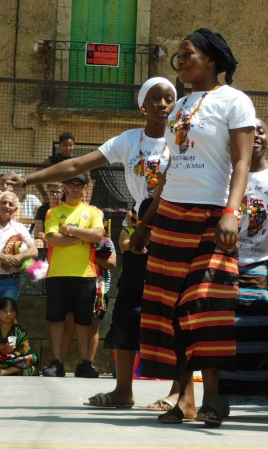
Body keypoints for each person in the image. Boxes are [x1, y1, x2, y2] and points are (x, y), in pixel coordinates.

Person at [2, 77, 177, 407]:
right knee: (127, 309)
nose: (163, 104)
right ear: (142, 105)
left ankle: (178, 392)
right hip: (141, 236)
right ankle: (124, 391)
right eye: (155, 98)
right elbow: (77, 164)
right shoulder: (129, 140)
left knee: (175, 313)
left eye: (169, 98)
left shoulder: (182, 140)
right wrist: (28, 178)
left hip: (174, 232)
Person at [130, 28, 255, 427]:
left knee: (205, 306)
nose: (180, 61)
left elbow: (242, 163)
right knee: (169, 309)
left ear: (213, 60)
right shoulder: (181, 105)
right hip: (170, 217)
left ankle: (213, 398)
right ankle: (183, 398)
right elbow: (170, 169)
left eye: (188, 54)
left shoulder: (235, 101)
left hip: (211, 216)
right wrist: (146, 224)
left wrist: (232, 212)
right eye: (179, 56)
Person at [217, 118, 268, 411]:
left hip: (260, 263)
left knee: (262, 326)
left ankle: (264, 391)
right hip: (225, 261)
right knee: (227, 329)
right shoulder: (226, 173)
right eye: (249, 133)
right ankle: (224, 393)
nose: (256, 137)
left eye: (261, 131)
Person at [41, 174, 105, 378]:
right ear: (65, 187)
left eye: (80, 185)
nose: (75, 188)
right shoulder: (53, 211)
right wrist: (81, 236)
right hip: (57, 273)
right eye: (71, 184)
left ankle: (85, 363)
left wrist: (68, 230)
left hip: (85, 273)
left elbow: (97, 235)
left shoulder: (92, 211)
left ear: (84, 189)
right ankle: (56, 363)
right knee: (56, 319)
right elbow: (52, 239)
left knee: (84, 321)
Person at [61, 235, 117, 373]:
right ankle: (58, 363)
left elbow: (112, 263)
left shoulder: (106, 242)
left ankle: (87, 364)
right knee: (69, 323)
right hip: (75, 284)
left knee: (94, 325)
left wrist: (92, 256)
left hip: (99, 287)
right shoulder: (73, 239)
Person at [0, 192, 38, 301]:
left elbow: (34, 251)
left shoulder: (19, 228)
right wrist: (3, 257)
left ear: (15, 210)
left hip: (10, 281)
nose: (7, 206)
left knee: (8, 317)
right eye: (4, 202)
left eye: (10, 204)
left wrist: (18, 258)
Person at [38, 132, 94, 202]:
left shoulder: (79, 160)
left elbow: (89, 180)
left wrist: (87, 199)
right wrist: (44, 194)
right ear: (60, 145)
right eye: (65, 145)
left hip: (74, 200)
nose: (68, 148)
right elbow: (38, 174)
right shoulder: (53, 159)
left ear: (74, 145)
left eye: (70, 145)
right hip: (56, 201)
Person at [0, 297, 38, 376]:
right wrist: (2, 350)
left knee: (34, 357)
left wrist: (11, 354)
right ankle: (16, 371)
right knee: (29, 370)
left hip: (13, 360)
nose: (8, 314)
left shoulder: (20, 331)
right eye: (4, 311)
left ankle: (4, 372)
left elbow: (25, 349)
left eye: (12, 310)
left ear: (16, 313)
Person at [33, 182, 63, 248]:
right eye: (52, 192)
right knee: (37, 243)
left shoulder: (65, 208)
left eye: (57, 192)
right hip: (46, 237)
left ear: (62, 194)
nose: (54, 194)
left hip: (62, 237)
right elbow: (38, 232)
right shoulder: (42, 209)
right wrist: (48, 239)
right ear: (47, 193)